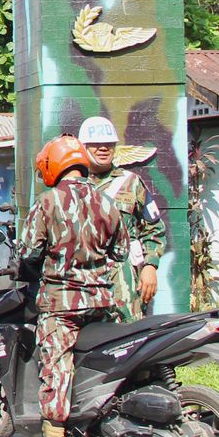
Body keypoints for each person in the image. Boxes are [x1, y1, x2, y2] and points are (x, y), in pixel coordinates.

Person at [11, 135, 126, 437]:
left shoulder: (48, 202)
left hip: (62, 302)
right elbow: (120, 251)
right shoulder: (107, 201)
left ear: (51, 166)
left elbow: (29, 253)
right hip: (103, 300)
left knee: (56, 367)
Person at [78, 116, 165, 322]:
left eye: (109, 144)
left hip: (124, 280)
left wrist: (150, 267)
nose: (103, 149)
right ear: (83, 147)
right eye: (96, 144)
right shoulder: (73, 185)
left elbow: (154, 229)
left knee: (129, 337)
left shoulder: (131, 183)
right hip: (82, 279)